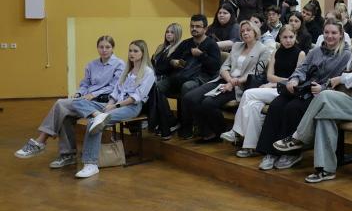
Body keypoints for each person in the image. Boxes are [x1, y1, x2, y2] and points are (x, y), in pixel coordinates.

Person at [273, 20, 352, 182]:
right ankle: (326, 170)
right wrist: (343, 79)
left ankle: (298, 137)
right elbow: (350, 79)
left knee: (324, 96)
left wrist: (343, 78)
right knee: (324, 117)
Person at [255, 20, 352, 170]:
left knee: (293, 108)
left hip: (323, 94)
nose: (329, 36)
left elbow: (342, 79)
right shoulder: (316, 51)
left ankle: (292, 153)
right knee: (276, 105)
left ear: (341, 35)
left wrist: (323, 87)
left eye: (334, 33)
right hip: (304, 88)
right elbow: (302, 69)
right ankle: (270, 152)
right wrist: (294, 79)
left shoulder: (345, 55)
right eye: (326, 32)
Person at [14, 36, 125, 165]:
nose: (104, 50)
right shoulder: (91, 64)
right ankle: (68, 156)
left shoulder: (119, 64)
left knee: (60, 104)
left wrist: (93, 94)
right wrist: (79, 93)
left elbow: (114, 87)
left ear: (112, 48)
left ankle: (40, 141)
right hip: (85, 100)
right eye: (101, 47)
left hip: (104, 102)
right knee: (64, 115)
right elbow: (85, 84)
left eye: (107, 47)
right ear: (97, 48)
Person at [70, 40, 156, 179]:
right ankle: (98, 114)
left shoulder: (148, 72)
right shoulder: (127, 69)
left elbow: (136, 97)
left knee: (94, 123)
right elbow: (116, 92)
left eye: (135, 51)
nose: (132, 54)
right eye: (130, 50)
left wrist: (114, 107)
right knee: (77, 102)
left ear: (143, 53)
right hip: (113, 104)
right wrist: (108, 105)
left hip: (130, 107)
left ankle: (91, 165)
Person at [220, 25, 306, 157]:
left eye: (291, 37)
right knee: (253, 105)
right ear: (280, 38)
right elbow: (269, 75)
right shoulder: (276, 52)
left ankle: (236, 131)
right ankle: (250, 147)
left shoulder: (300, 54)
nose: (288, 40)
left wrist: (275, 83)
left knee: (248, 93)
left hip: (286, 91)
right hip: (273, 87)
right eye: (285, 37)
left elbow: (295, 78)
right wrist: (274, 82)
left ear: (296, 37)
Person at [181, 21, 269, 141]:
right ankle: (207, 131)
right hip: (224, 79)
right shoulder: (237, 46)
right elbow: (224, 67)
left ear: (255, 32)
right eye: (242, 31)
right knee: (190, 98)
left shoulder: (263, 49)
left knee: (207, 103)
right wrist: (229, 80)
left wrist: (233, 83)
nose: (245, 33)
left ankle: (219, 132)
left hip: (241, 86)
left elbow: (255, 73)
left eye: (248, 30)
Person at [159, 15, 223, 135]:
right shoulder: (186, 43)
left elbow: (215, 67)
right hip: (181, 75)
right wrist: (173, 62)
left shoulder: (211, 44)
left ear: (205, 29)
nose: (194, 28)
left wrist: (201, 55)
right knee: (158, 87)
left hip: (201, 78)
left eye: (198, 26)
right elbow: (171, 59)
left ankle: (187, 127)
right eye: (192, 26)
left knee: (187, 87)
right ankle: (169, 120)